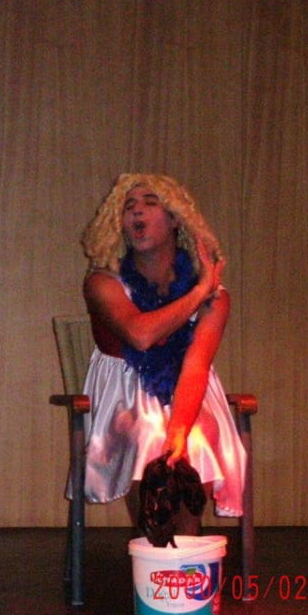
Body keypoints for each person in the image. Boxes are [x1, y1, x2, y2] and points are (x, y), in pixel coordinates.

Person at [71, 173, 246, 534]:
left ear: (175, 219)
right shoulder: (102, 282)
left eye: (150, 203)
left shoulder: (216, 297)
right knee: (149, 432)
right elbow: (141, 336)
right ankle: (151, 539)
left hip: (190, 391)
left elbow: (195, 366)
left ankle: (185, 545)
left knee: (196, 438)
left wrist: (179, 431)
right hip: (122, 394)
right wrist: (198, 293)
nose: (137, 212)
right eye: (128, 207)